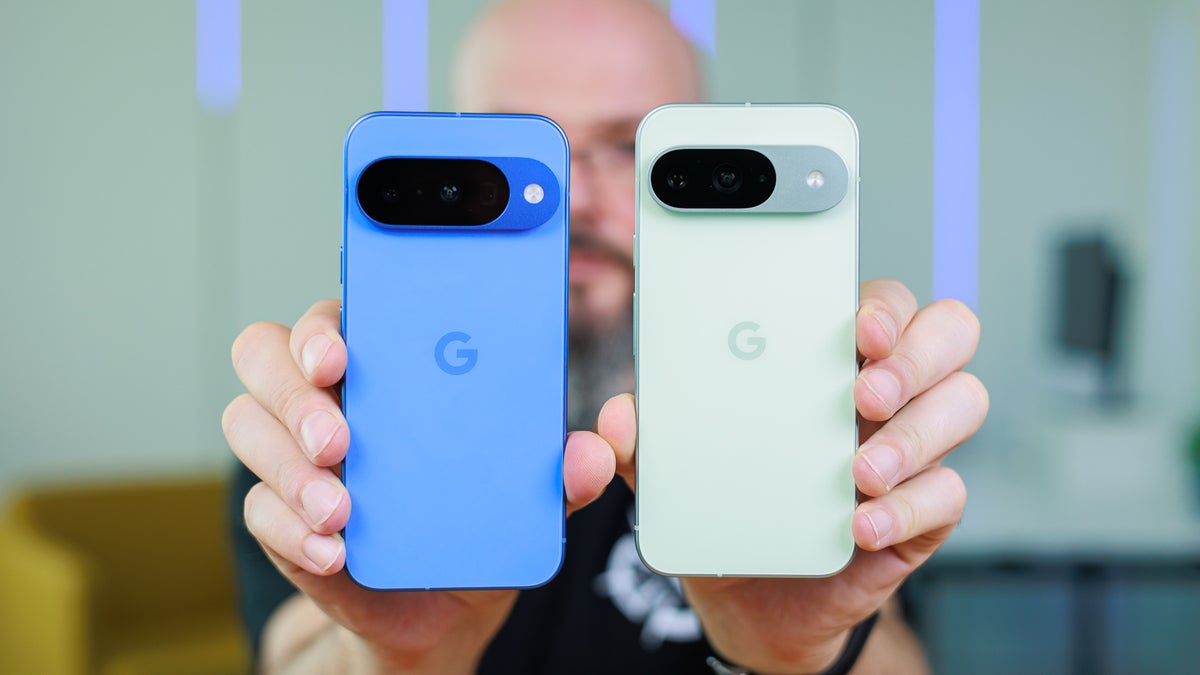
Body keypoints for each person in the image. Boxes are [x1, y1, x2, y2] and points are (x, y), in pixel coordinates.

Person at [222, 0, 988, 672]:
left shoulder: (816, 398)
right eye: (520, 147)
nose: (576, 195)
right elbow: (285, 652)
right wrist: (397, 658)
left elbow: (904, 656)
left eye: (627, 146)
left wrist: (808, 653)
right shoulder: (347, 409)